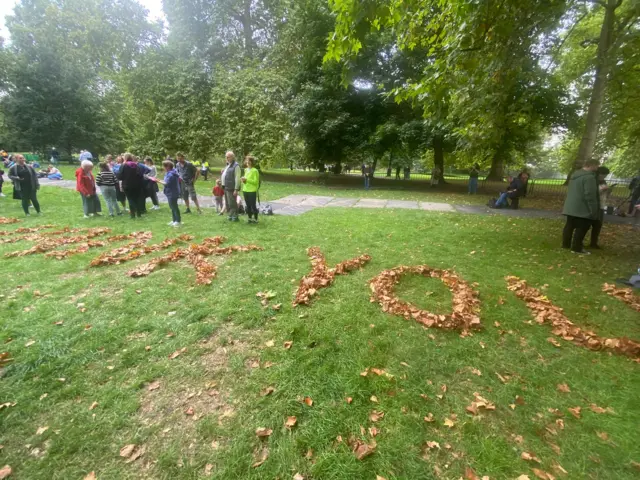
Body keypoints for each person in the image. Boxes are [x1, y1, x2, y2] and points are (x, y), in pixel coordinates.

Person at [562, 158, 600, 255]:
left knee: (569, 226)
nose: (597, 168)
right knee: (582, 227)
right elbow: (590, 194)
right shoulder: (589, 177)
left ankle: (566, 244)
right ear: (591, 165)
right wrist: (593, 209)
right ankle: (576, 247)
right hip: (582, 207)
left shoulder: (574, 175)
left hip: (571, 206)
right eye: (596, 166)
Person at [117, 153, 146, 219]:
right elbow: (140, 175)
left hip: (127, 185)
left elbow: (120, 176)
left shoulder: (123, 165)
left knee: (130, 199)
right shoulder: (136, 165)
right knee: (136, 199)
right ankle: (135, 214)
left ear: (125, 158)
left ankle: (135, 212)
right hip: (137, 185)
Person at [154, 160, 182, 226]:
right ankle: (174, 220)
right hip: (171, 192)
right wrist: (160, 180)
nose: (163, 168)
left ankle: (178, 221)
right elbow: (166, 181)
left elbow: (166, 183)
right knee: (172, 206)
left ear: (168, 167)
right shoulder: (170, 172)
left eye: (164, 166)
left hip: (172, 192)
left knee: (174, 207)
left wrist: (158, 181)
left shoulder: (171, 174)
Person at [588, 166, 611, 249]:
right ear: (599, 174)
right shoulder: (593, 181)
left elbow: (604, 194)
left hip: (601, 205)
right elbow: (592, 193)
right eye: (604, 175)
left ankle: (594, 242)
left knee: (597, 225)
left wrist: (607, 191)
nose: (604, 177)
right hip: (593, 205)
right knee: (586, 225)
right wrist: (602, 189)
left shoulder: (603, 182)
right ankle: (579, 241)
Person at [222, 151, 241, 221]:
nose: (226, 158)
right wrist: (223, 172)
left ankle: (235, 216)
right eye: (226, 157)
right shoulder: (228, 165)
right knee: (228, 203)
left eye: (228, 157)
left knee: (232, 202)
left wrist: (236, 189)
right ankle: (230, 215)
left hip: (232, 187)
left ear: (232, 157)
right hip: (226, 186)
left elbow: (237, 178)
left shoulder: (236, 166)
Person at [241, 156, 260, 223]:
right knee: (248, 205)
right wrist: (243, 180)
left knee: (253, 205)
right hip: (245, 190)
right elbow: (246, 181)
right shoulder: (245, 170)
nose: (247, 162)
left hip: (252, 191)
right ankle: (249, 218)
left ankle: (255, 219)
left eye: (249, 160)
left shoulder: (255, 170)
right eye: (246, 160)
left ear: (252, 162)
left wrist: (247, 179)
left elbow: (255, 182)